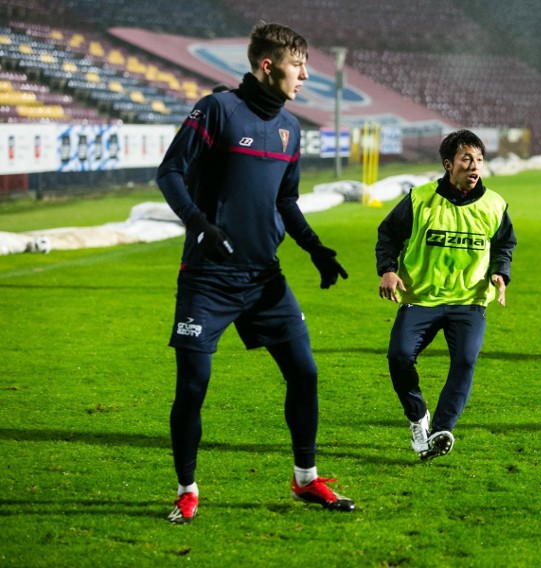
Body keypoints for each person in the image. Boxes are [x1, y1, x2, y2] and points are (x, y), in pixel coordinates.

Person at [157, 21, 355, 523]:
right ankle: (187, 488)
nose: (306, 75)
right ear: (267, 66)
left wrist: (315, 249)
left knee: (305, 372)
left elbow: (285, 199)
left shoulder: (291, 129)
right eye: (297, 65)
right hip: (209, 278)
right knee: (194, 384)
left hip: (265, 278)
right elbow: (170, 172)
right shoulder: (218, 108)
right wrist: (200, 224)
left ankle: (306, 480)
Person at [376, 129, 517, 460]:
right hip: (420, 299)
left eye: (479, 159)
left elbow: (505, 244)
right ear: (448, 164)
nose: (474, 166)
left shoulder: (494, 204)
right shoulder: (419, 199)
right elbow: (388, 235)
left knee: (465, 360)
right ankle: (418, 416)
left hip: (468, 303)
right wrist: (388, 269)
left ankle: (440, 430)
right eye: (467, 158)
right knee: (398, 357)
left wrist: (501, 271)